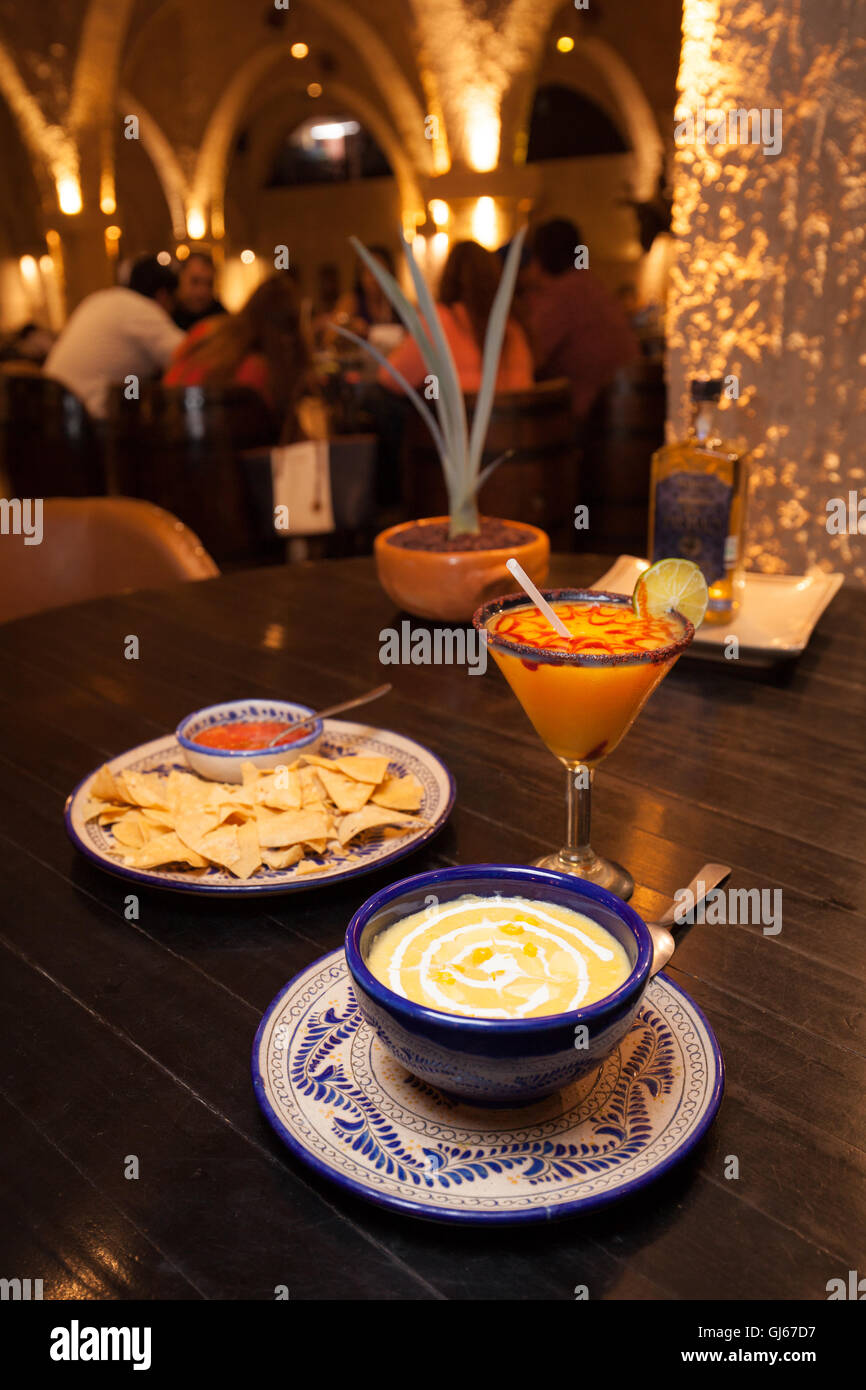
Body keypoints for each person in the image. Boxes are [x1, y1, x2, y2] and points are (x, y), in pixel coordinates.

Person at [164, 273, 311, 437]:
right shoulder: (259, 370)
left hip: (167, 441)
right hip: (216, 452)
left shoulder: (205, 329)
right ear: (290, 332)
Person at [378, 239, 533, 395]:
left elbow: (391, 378)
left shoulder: (440, 322)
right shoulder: (514, 325)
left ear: (448, 276)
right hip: (515, 418)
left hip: (459, 418)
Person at [522, 218, 640, 419]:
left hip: (593, 421)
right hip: (628, 412)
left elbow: (528, 359)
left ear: (539, 260)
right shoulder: (592, 285)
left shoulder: (560, 297)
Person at [43, 256, 183, 419]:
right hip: (80, 421)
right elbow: (191, 354)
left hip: (49, 408)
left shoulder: (99, 299)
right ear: (163, 296)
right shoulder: (142, 310)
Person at [333, 245, 399, 338]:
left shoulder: (397, 305)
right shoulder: (351, 302)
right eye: (368, 271)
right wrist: (350, 325)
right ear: (360, 275)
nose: (373, 278)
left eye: (379, 271)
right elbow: (331, 336)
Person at [172, 250, 226, 331]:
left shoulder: (221, 320)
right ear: (179, 278)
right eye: (195, 281)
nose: (202, 292)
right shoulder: (163, 314)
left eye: (209, 284)